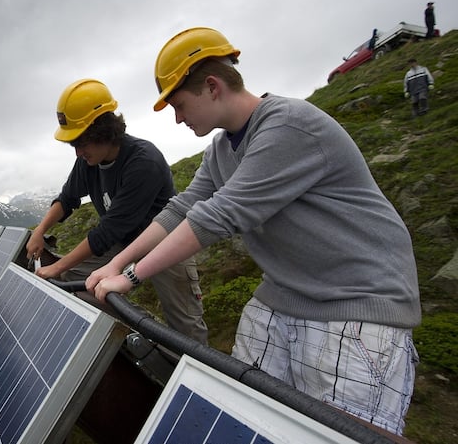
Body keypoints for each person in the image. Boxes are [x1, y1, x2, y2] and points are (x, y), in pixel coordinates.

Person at [85, 28, 421, 435]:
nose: (177, 118)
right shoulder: (221, 150)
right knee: (244, 414)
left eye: (179, 105)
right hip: (284, 296)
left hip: (358, 304)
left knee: (343, 434)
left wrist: (132, 277)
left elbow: (220, 215)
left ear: (212, 87)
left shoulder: (288, 126)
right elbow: (181, 210)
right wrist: (116, 264)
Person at [26, 78, 208, 344]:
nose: (77, 152)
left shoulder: (143, 162)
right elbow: (67, 199)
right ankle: (136, 331)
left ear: (102, 131)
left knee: (185, 325)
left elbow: (108, 231)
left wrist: (57, 267)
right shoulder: (89, 161)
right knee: (75, 279)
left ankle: (200, 373)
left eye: (81, 143)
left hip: (166, 243)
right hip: (124, 243)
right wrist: (39, 232)